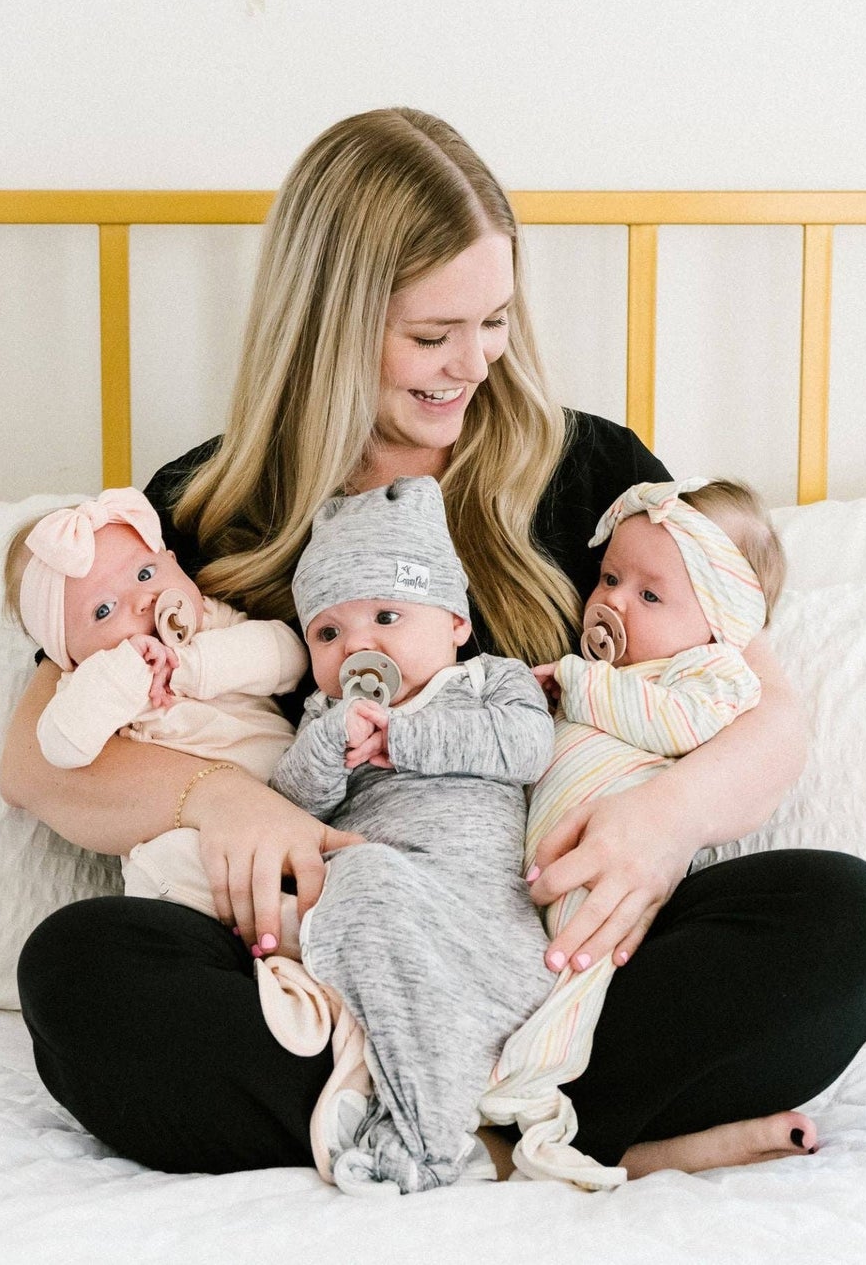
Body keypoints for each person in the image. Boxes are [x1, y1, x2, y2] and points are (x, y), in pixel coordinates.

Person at [3, 105, 866, 1180]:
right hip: (331, 973)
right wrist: (219, 797)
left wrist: (667, 819)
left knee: (840, 918)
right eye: (430, 336)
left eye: (493, 322)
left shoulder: (592, 473)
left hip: (563, 959)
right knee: (80, 973)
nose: (470, 365)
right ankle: (543, 1129)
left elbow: (768, 708)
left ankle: (439, 1122)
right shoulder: (200, 509)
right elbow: (32, 758)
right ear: (330, 325)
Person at [479, 476, 784, 1187]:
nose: (612, 601)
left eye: (650, 595)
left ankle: (532, 1098)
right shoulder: (610, 673)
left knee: (573, 975)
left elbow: (680, 723)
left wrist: (575, 682)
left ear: (718, 620)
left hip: (610, 882)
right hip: (524, 870)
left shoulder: (711, 674)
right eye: (609, 577)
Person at [264, 474, 554, 1193]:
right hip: (381, 904)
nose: (355, 645)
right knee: (357, 885)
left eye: (387, 615)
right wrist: (330, 744)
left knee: (370, 892)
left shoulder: (491, 681)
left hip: (482, 918)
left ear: (454, 623)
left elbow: (526, 746)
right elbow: (288, 804)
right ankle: (415, 1108)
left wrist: (408, 737)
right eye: (328, 632)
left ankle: (423, 1136)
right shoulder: (322, 717)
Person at [0, 486, 308, 934]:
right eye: (103, 610)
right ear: (67, 655)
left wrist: (186, 667)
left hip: (292, 789)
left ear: (174, 563)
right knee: (158, 866)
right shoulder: (94, 682)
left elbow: (289, 657)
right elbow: (59, 746)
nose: (141, 601)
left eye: (145, 573)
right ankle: (284, 929)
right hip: (197, 837)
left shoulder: (210, 621)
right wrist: (126, 674)